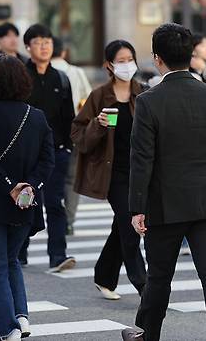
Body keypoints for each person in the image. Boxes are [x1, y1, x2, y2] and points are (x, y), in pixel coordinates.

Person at [121, 23, 206, 341]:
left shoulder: (148, 101)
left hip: (164, 202)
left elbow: (141, 159)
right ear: (191, 55)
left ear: (158, 59)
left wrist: (137, 207)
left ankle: (147, 335)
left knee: (158, 276)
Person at [0, 54, 54, 341]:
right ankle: (22, 316)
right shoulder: (37, 116)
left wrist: (9, 185)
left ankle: (8, 329)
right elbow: (48, 160)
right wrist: (28, 185)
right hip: (25, 203)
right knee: (12, 261)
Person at [72, 40, 147, 300]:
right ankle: (145, 286)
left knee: (121, 226)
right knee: (130, 227)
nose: (127, 65)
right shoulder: (99, 96)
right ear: (109, 65)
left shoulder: (144, 93)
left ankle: (104, 275)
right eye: (121, 60)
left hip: (141, 173)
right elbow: (79, 135)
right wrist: (98, 124)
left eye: (130, 59)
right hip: (113, 173)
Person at [18, 23, 76, 273]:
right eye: (38, 42)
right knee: (25, 202)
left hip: (56, 151)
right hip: (25, 153)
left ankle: (57, 255)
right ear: (28, 46)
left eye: (48, 42)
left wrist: (68, 147)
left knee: (55, 203)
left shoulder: (61, 78)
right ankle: (18, 254)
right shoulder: (20, 76)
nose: (44, 46)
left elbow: (69, 116)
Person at [51, 37, 93, 235]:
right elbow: (88, 101)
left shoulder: (38, 72)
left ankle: (51, 217)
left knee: (46, 178)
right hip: (74, 131)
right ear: (64, 52)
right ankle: (68, 220)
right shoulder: (76, 72)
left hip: (47, 133)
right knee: (71, 178)